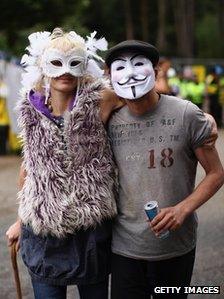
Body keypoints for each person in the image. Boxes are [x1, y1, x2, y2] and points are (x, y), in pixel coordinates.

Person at [5, 28, 124, 299]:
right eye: (56, 62)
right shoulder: (31, 107)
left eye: (74, 63)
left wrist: (196, 116)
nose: (65, 71)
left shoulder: (100, 99)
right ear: (42, 66)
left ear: (85, 65)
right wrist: (21, 221)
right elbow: (31, 169)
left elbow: (143, 99)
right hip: (45, 233)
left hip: (90, 227)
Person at [104, 40, 224, 299]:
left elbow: (216, 173)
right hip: (124, 249)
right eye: (120, 68)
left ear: (156, 70)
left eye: (139, 64)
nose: (131, 74)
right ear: (109, 76)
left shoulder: (186, 115)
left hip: (175, 247)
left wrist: (183, 208)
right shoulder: (108, 121)